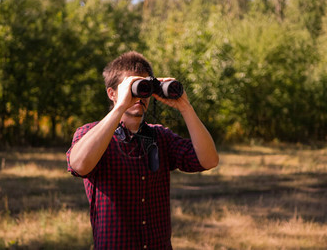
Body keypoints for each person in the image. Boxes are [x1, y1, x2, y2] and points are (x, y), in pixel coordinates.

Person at [66, 51, 219, 249]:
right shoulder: (90, 133)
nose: (139, 96)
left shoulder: (161, 137)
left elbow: (209, 160)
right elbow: (78, 165)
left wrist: (185, 107)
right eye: (133, 88)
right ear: (112, 93)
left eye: (144, 88)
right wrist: (120, 107)